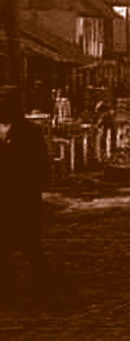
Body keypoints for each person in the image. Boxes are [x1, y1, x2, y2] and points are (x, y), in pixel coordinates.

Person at [0, 86, 52, 300]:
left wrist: (37, 188)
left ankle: (44, 283)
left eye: (7, 103)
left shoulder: (30, 132)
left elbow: (41, 164)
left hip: (24, 197)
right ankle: (6, 289)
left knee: (30, 243)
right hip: (2, 198)